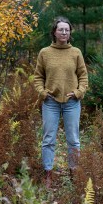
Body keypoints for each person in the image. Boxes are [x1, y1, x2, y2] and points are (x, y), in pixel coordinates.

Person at [33, 16, 88, 188]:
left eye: (67, 30)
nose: (64, 32)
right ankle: (48, 173)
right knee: (48, 139)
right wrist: (42, 93)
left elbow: (83, 76)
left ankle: (74, 172)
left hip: (72, 102)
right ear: (54, 32)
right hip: (51, 102)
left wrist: (79, 92)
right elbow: (38, 77)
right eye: (60, 29)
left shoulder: (76, 52)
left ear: (70, 33)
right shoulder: (45, 53)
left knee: (73, 139)